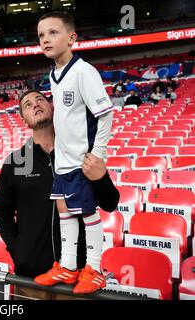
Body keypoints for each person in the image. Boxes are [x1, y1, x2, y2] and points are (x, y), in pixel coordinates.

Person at [0, 90, 119, 300]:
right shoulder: (15, 162)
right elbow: (2, 212)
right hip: (30, 276)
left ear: (53, 108)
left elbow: (110, 203)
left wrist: (100, 177)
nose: (35, 105)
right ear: (24, 121)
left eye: (40, 99)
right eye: (27, 105)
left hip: (75, 279)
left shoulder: (81, 153)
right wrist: (19, 250)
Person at [34, 12, 114, 294]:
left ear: (72, 38)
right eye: (41, 35)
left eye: (53, 33)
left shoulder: (84, 71)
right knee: (64, 210)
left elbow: (105, 115)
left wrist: (98, 153)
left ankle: (94, 268)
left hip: (81, 161)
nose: (46, 39)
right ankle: (68, 267)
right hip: (62, 161)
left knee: (88, 213)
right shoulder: (54, 75)